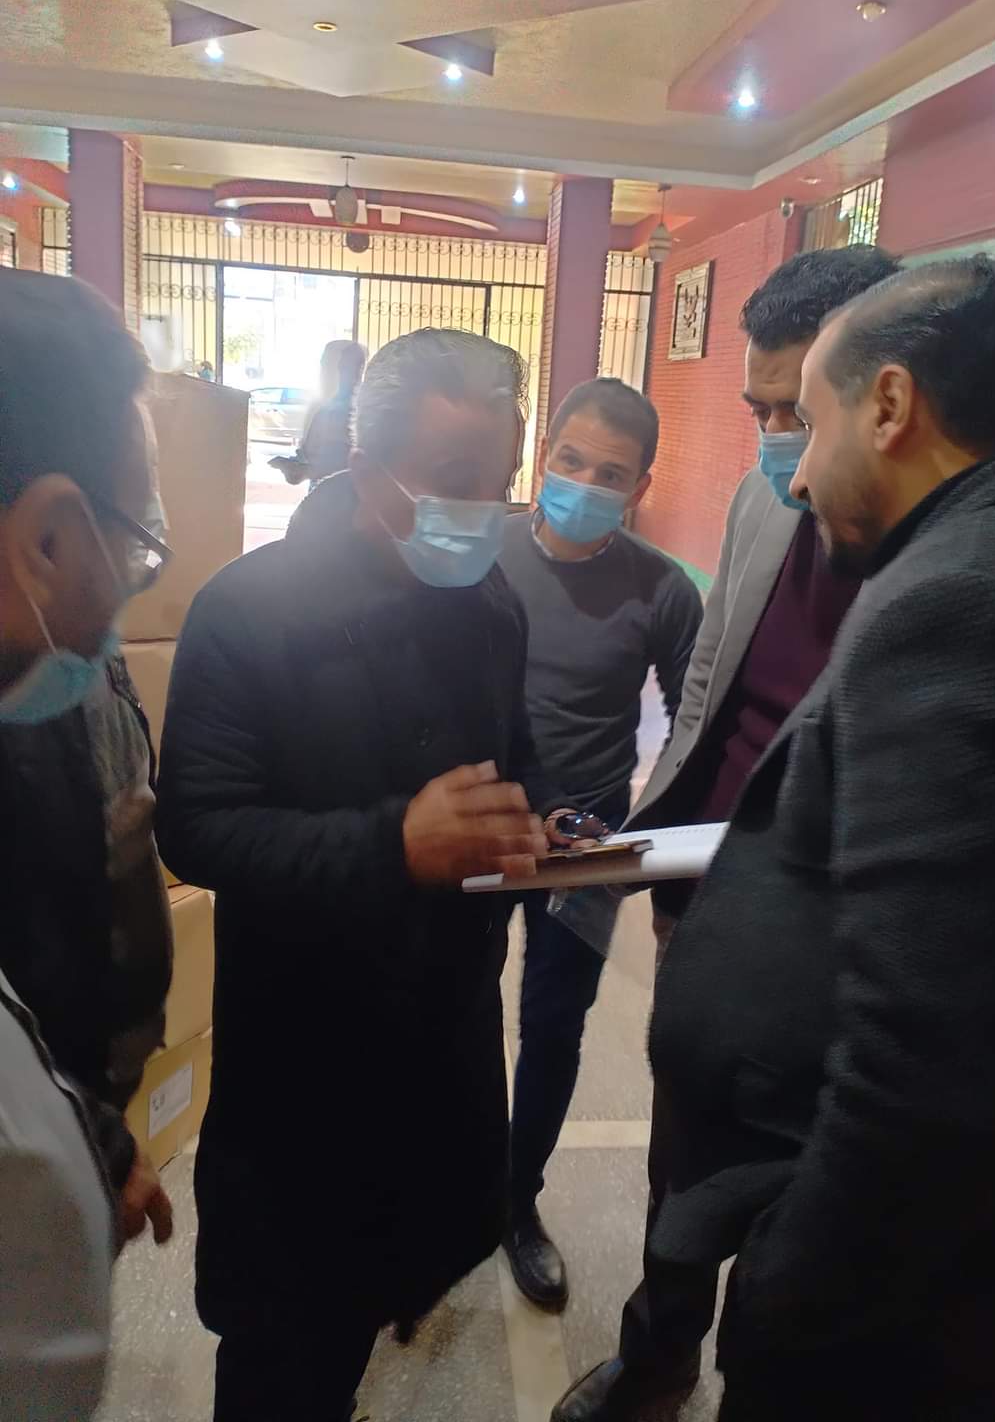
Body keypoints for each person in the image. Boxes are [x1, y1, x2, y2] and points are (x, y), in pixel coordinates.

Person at [654, 253, 995, 1420]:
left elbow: (926, 1058)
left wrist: (791, 1293)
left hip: (887, 1307)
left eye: (811, 416)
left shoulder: (961, 602)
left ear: (888, 405)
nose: (793, 468)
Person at [156, 329, 574, 1422]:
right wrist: (394, 845)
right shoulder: (250, 608)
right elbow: (197, 827)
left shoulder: (491, 603)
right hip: (305, 1064)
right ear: (362, 464)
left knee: (414, 1264)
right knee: (288, 1351)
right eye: (451, 479)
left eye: (498, 480)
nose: (480, 510)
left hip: (445, 1039)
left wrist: (542, 819)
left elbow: (514, 755)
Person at [554, 243, 901, 1422]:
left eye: (796, 412)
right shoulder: (762, 499)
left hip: (835, 925)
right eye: (761, 412)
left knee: (808, 1187)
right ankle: (659, 1361)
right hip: (706, 893)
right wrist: (656, 845)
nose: (776, 441)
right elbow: (707, 682)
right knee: (682, 1146)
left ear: (883, 393)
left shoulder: (936, 542)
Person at [0, 269, 169, 1416]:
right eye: (135, 543)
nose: (129, 591)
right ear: (50, 539)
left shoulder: (53, 681)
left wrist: (98, 1137)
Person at [498, 378, 702, 1308]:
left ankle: (515, 1202)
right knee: (447, 1011)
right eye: (570, 459)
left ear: (640, 486)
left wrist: (640, 852)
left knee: (553, 1025)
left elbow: (694, 728)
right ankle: (442, 1191)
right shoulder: (484, 557)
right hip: (482, 823)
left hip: (587, 846)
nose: (583, 482)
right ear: (544, 454)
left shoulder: (662, 589)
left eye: (609, 473)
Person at [271, 339, 368, 487]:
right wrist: (295, 467)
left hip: (338, 496)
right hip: (324, 493)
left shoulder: (351, 411)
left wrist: (302, 470)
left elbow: (344, 465)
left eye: (328, 364)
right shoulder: (325, 407)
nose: (323, 370)